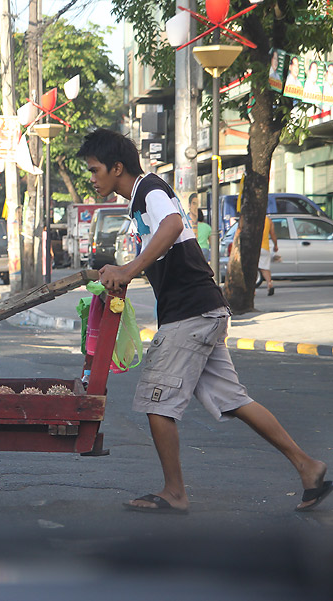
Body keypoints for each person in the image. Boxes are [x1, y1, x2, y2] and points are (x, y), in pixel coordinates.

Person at [76, 128, 330, 514]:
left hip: (190, 314)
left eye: (95, 170)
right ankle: (308, 467)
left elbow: (174, 226)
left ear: (117, 167)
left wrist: (128, 269)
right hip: (204, 310)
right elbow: (167, 244)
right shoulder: (141, 201)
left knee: (156, 402)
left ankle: (174, 493)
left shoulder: (149, 191)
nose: (92, 179)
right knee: (234, 399)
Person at [258, 215, 279, 296]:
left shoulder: (252, 218)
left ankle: (252, 290)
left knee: (253, 269)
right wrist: (276, 245)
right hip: (265, 248)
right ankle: (269, 284)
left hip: (254, 248)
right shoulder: (268, 220)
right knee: (265, 268)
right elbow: (273, 233)